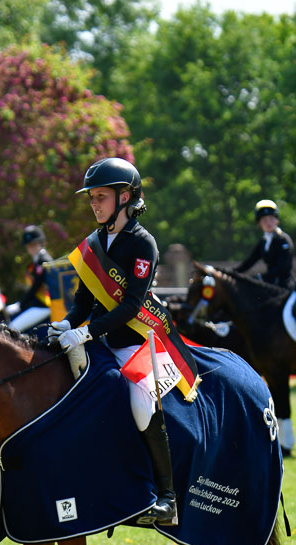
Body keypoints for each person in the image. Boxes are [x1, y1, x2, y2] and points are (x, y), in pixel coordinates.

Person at [48, 157, 199, 526]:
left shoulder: (142, 243)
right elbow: (83, 301)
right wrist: (65, 323)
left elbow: (132, 304)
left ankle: (167, 499)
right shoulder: (93, 242)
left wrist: (84, 332)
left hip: (138, 342)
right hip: (101, 341)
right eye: (92, 198)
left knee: (140, 406)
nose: (94, 203)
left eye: (101, 196)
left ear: (125, 197)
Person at [235, 200, 295, 290]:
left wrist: (259, 277)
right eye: (264, 219)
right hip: (270, 286)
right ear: (259, 223)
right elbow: (249, 262)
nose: (268, 223)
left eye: (271, 218)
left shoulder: (283, 240)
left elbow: (282, 268)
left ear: (277, 220)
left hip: (285, 288)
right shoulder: (263, 241)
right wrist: (232, 273)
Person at [7, 225, 53, 332]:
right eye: (29, 245)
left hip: (44, 306)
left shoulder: (43, 261)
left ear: (41, 243)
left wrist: (20, 305)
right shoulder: (36, 262)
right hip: (39, 305)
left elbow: (36, 287)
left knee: (12, 328)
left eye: (33, 244)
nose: (31, 248)